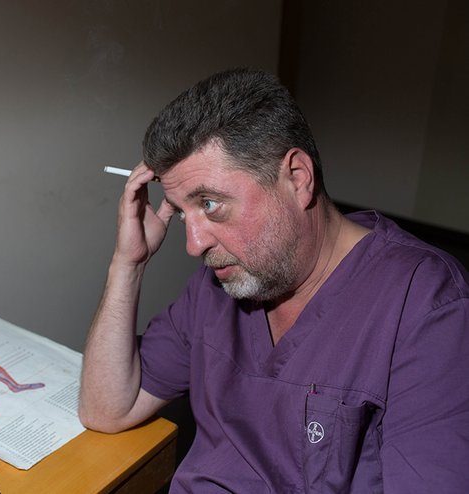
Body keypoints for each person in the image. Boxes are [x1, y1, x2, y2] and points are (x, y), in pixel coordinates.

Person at [78, 67, 469, 492]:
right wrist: (128, 263)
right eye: (182, 212)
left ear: (297, 178)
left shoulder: (426, 304)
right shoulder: (218, 287)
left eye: (210, 204)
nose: (193, 245)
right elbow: (107, 409)